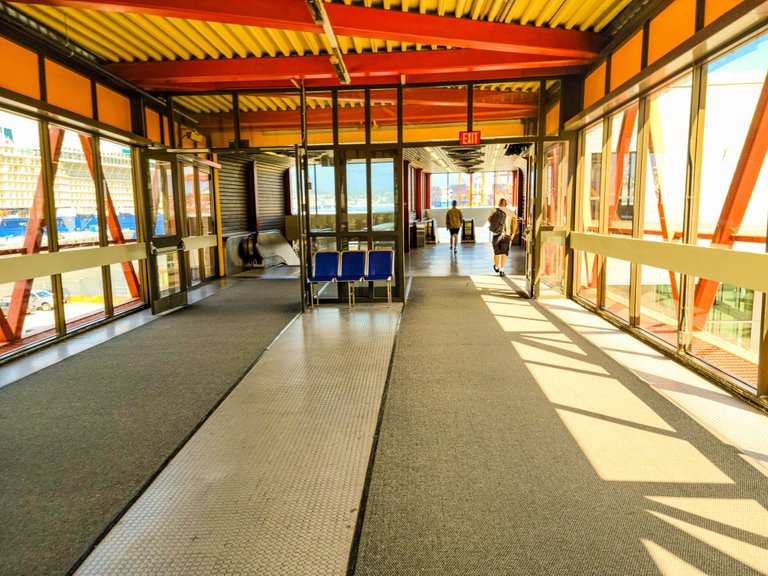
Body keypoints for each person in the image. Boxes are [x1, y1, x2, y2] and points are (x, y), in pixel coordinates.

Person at [487, 198, 517, 276]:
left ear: (499, 203)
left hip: (496, 234)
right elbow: (514, 222)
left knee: (496, 253)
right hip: (506, 235)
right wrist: (513, 234)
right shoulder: (510, 212)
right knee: (504, 253)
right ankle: (502, 270)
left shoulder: (494, 210)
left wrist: (495, 224)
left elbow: (489, 219)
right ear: (506, 204)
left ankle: (496, 267)